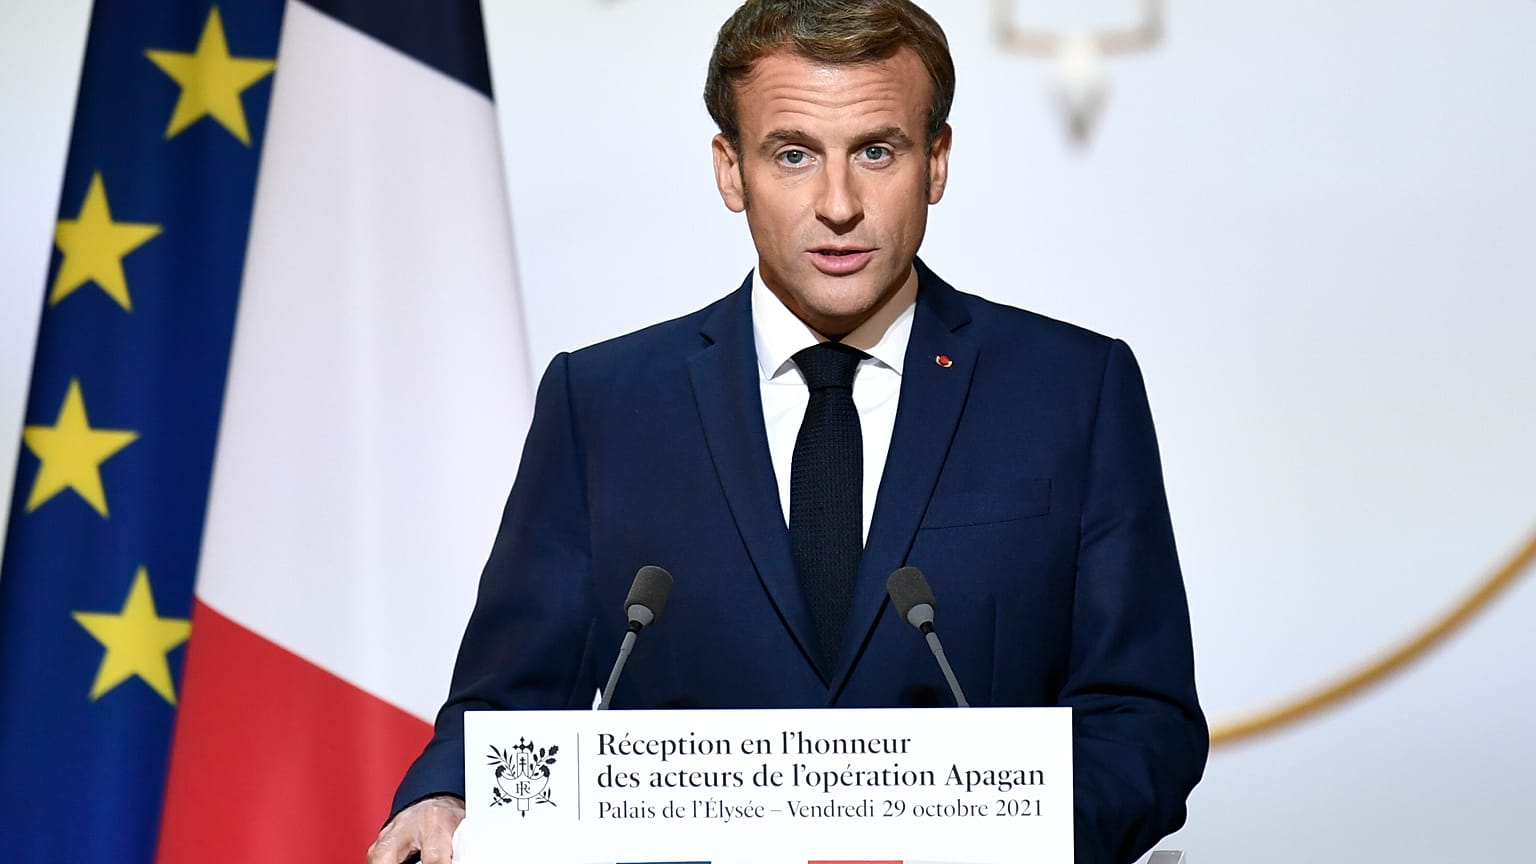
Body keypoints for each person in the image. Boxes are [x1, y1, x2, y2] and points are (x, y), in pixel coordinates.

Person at [366, 1, 1206, 862]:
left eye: (877, 150)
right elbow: (508, 703)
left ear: (937, 163)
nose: (838, 204)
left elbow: (1143, 719)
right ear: (731, 171)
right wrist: (447, 792)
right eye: (793, 154)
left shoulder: (1073, 388)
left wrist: (989, 840)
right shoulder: (606, 402)